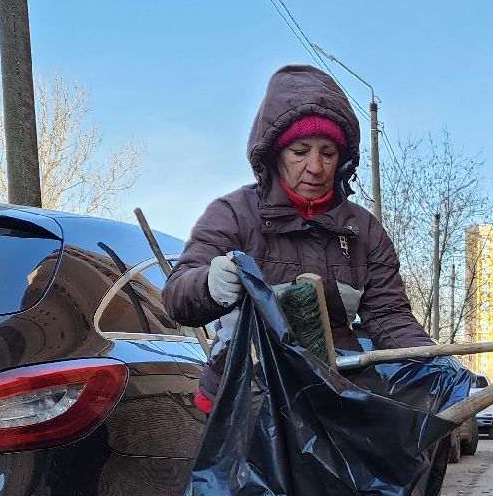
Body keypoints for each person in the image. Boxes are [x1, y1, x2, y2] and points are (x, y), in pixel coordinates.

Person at [163, 65, 432, 409]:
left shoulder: (363, 230)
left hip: (332, 397)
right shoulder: (232, 214)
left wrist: (428, 364)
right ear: (275, 153)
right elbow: (176, 297)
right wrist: (207, 286)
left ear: (343, 160)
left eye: (328, 153)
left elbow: (390, 316)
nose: (316, 167)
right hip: (244, 399)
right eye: (301, 151)